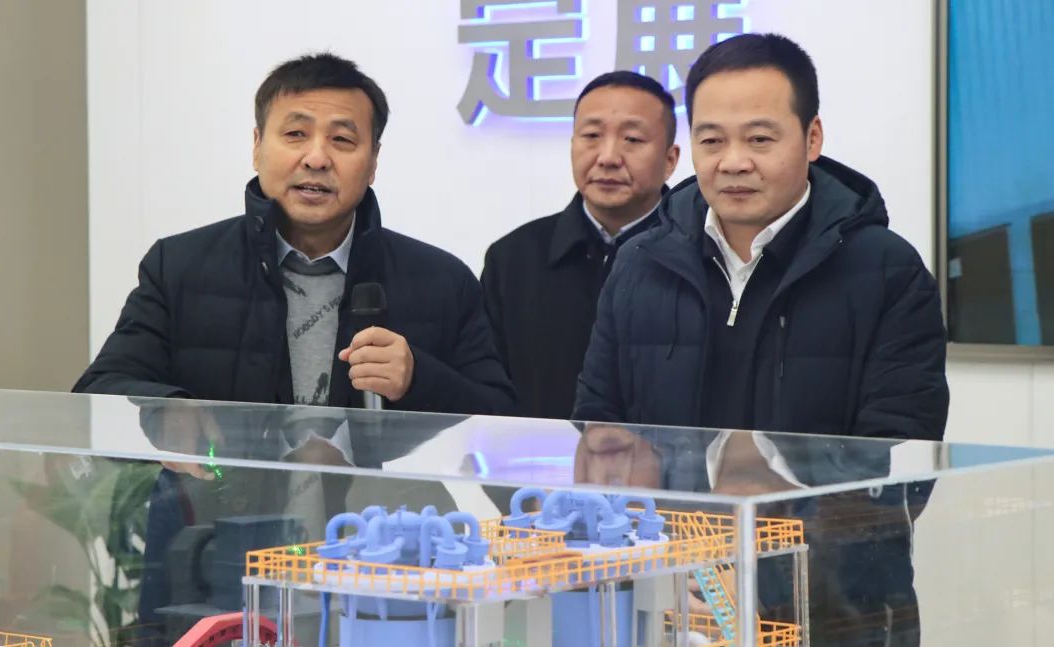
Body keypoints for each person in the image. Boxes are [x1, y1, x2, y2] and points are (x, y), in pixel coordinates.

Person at [573, 33, 949, 646]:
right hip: (671, 601)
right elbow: (599, 431)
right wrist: (669, 563)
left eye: (759, 139)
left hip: (834, 611)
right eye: (711, 140)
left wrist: (764, 536)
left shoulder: (887, 270)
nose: (733, 162)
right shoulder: (640, 263)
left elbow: (900, 463)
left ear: (812, 138)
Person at [76, 53, 516, 420]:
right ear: (257, 146)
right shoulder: (178, 266)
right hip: (220, 501)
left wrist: (419, 379)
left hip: (378, 504)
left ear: (373, 162)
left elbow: (501, 420)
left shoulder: (443, 281)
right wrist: (169, 412)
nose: (317, 158)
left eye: (342, 139)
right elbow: (99, 392)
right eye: (295, 134)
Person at [481, 71, 679, 419]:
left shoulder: (699, 257)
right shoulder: (513, 258)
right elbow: (490, 393)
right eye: (591, 136)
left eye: (632, 139)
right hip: (538, 454)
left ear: (670, 160)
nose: (608, 157)